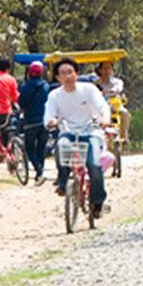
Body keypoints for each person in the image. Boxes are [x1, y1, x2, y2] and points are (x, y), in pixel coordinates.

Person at [45, 57, 111, 217]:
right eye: (62, 74)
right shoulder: (54, 95)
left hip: (90, 132)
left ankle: (97, 201)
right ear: (57, 78)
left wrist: (105, 119)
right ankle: (62, 181)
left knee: (93, 164)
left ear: (77, 74)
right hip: (68, 132)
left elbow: (103, 107)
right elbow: (48, 115)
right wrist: (51, 121)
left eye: (70, 72)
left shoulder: (88, 89)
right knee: (61, 148)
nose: (67, 77)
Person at [19, 61, 51, 184]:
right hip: (44, 121)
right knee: (41, 148)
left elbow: (21, 103)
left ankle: (39, 171)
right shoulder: (46, 86)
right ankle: (40, 173)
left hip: (30, 121)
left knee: (29, 148)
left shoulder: (25, 87)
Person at [95, 60, 131, 143]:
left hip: (114, 105)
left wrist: (109, 91)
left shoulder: (117, 82)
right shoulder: (96, 83)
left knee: (125, 112)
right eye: (104, 68)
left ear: (112, 70)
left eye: (109, 68)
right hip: (100, 107)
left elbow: (118, 89)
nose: (107, 71)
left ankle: (124, 136)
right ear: (100, 70)